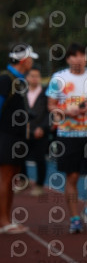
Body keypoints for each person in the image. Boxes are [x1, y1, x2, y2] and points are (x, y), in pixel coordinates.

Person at [46, 43, 87, 234]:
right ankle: (74, 218)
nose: (79, 58)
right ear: (68, 59)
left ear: (86, 58)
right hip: (68, 134)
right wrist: (67, 111)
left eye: (82, 55)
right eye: (74, 55)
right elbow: (51, 105)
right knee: (72, 176)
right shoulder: (59, 78)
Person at [0, 45, 37, 234]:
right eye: (31, 58)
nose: (32, 62)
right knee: (5, 179)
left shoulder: (19, 80)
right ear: (24, 60)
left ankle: (7, 218)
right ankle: (3, 222)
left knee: (12, 178)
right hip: (5, 136)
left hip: (17, 137)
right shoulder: (6, 79)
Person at [24, 65, 50, 197]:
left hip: (41, 131)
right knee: (19, 157)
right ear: (27, 77)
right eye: (32, 76)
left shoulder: (46, 93)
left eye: (37, 76)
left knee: (40, 159)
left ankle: (39, 185)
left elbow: (50, 113)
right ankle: (24, 180)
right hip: (24, 131)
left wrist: (43, 128)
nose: (35, 78)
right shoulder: (21, 93)